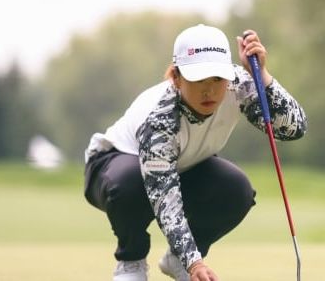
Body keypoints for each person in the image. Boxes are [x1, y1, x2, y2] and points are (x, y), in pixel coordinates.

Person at [84, 24, 307, 281]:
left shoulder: (239, 85)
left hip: (185, 166)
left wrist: (263, 75)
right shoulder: (159, 118)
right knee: (130, 183)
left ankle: (175, 260)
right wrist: (195, 264)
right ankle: (131, 263)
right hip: (111, 169)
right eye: (198, 79)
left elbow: (294, 128)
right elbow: (164, 199)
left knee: (236, 189)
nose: (209, 90)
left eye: (217, 79)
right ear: (176, 77)